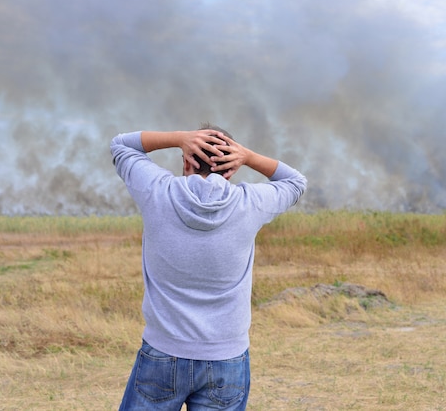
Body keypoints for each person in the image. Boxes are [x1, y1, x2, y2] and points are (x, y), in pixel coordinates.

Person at [110, 124, 306, 410]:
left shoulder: (157, 191)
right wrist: (247, 156)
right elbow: (296, 181)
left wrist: (179, 138)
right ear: (232, 167)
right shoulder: (250, 203)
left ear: (187, 159)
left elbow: (121, 145)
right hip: (227, 358)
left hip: (163, 351)